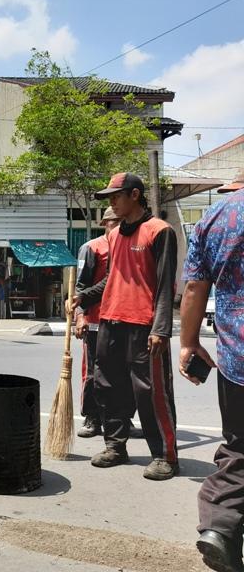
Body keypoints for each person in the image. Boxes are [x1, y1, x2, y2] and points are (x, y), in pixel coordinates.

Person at [70, 172, 178, 481]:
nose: (111, 202)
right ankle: (116, 446)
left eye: (115, 196)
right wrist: (82, 297)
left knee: (150, 392)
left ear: (134, 195)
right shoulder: (114, 237)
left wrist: (160, 329)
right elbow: (110, 280)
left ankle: (164, 455)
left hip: (143, 326)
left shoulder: (160, 231)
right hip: (110, 322)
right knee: (108, 387)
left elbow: (165, 286)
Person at [180, 172, 244, 572]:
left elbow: (193, 289)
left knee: (239, 449)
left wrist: (188, 342)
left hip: (237, 358)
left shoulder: (216, 216)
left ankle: (219, 527)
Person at [74, 206, 121, 438]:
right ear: (105, 223)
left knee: (120, 374)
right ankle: (92, 417)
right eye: (115, 222)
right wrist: (80, 316)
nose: (119, 226)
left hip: (121, 320)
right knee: (93, 373)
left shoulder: (126, 247)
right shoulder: (92, 248)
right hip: (95, 321)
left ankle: (119, 418)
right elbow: (81, 286)